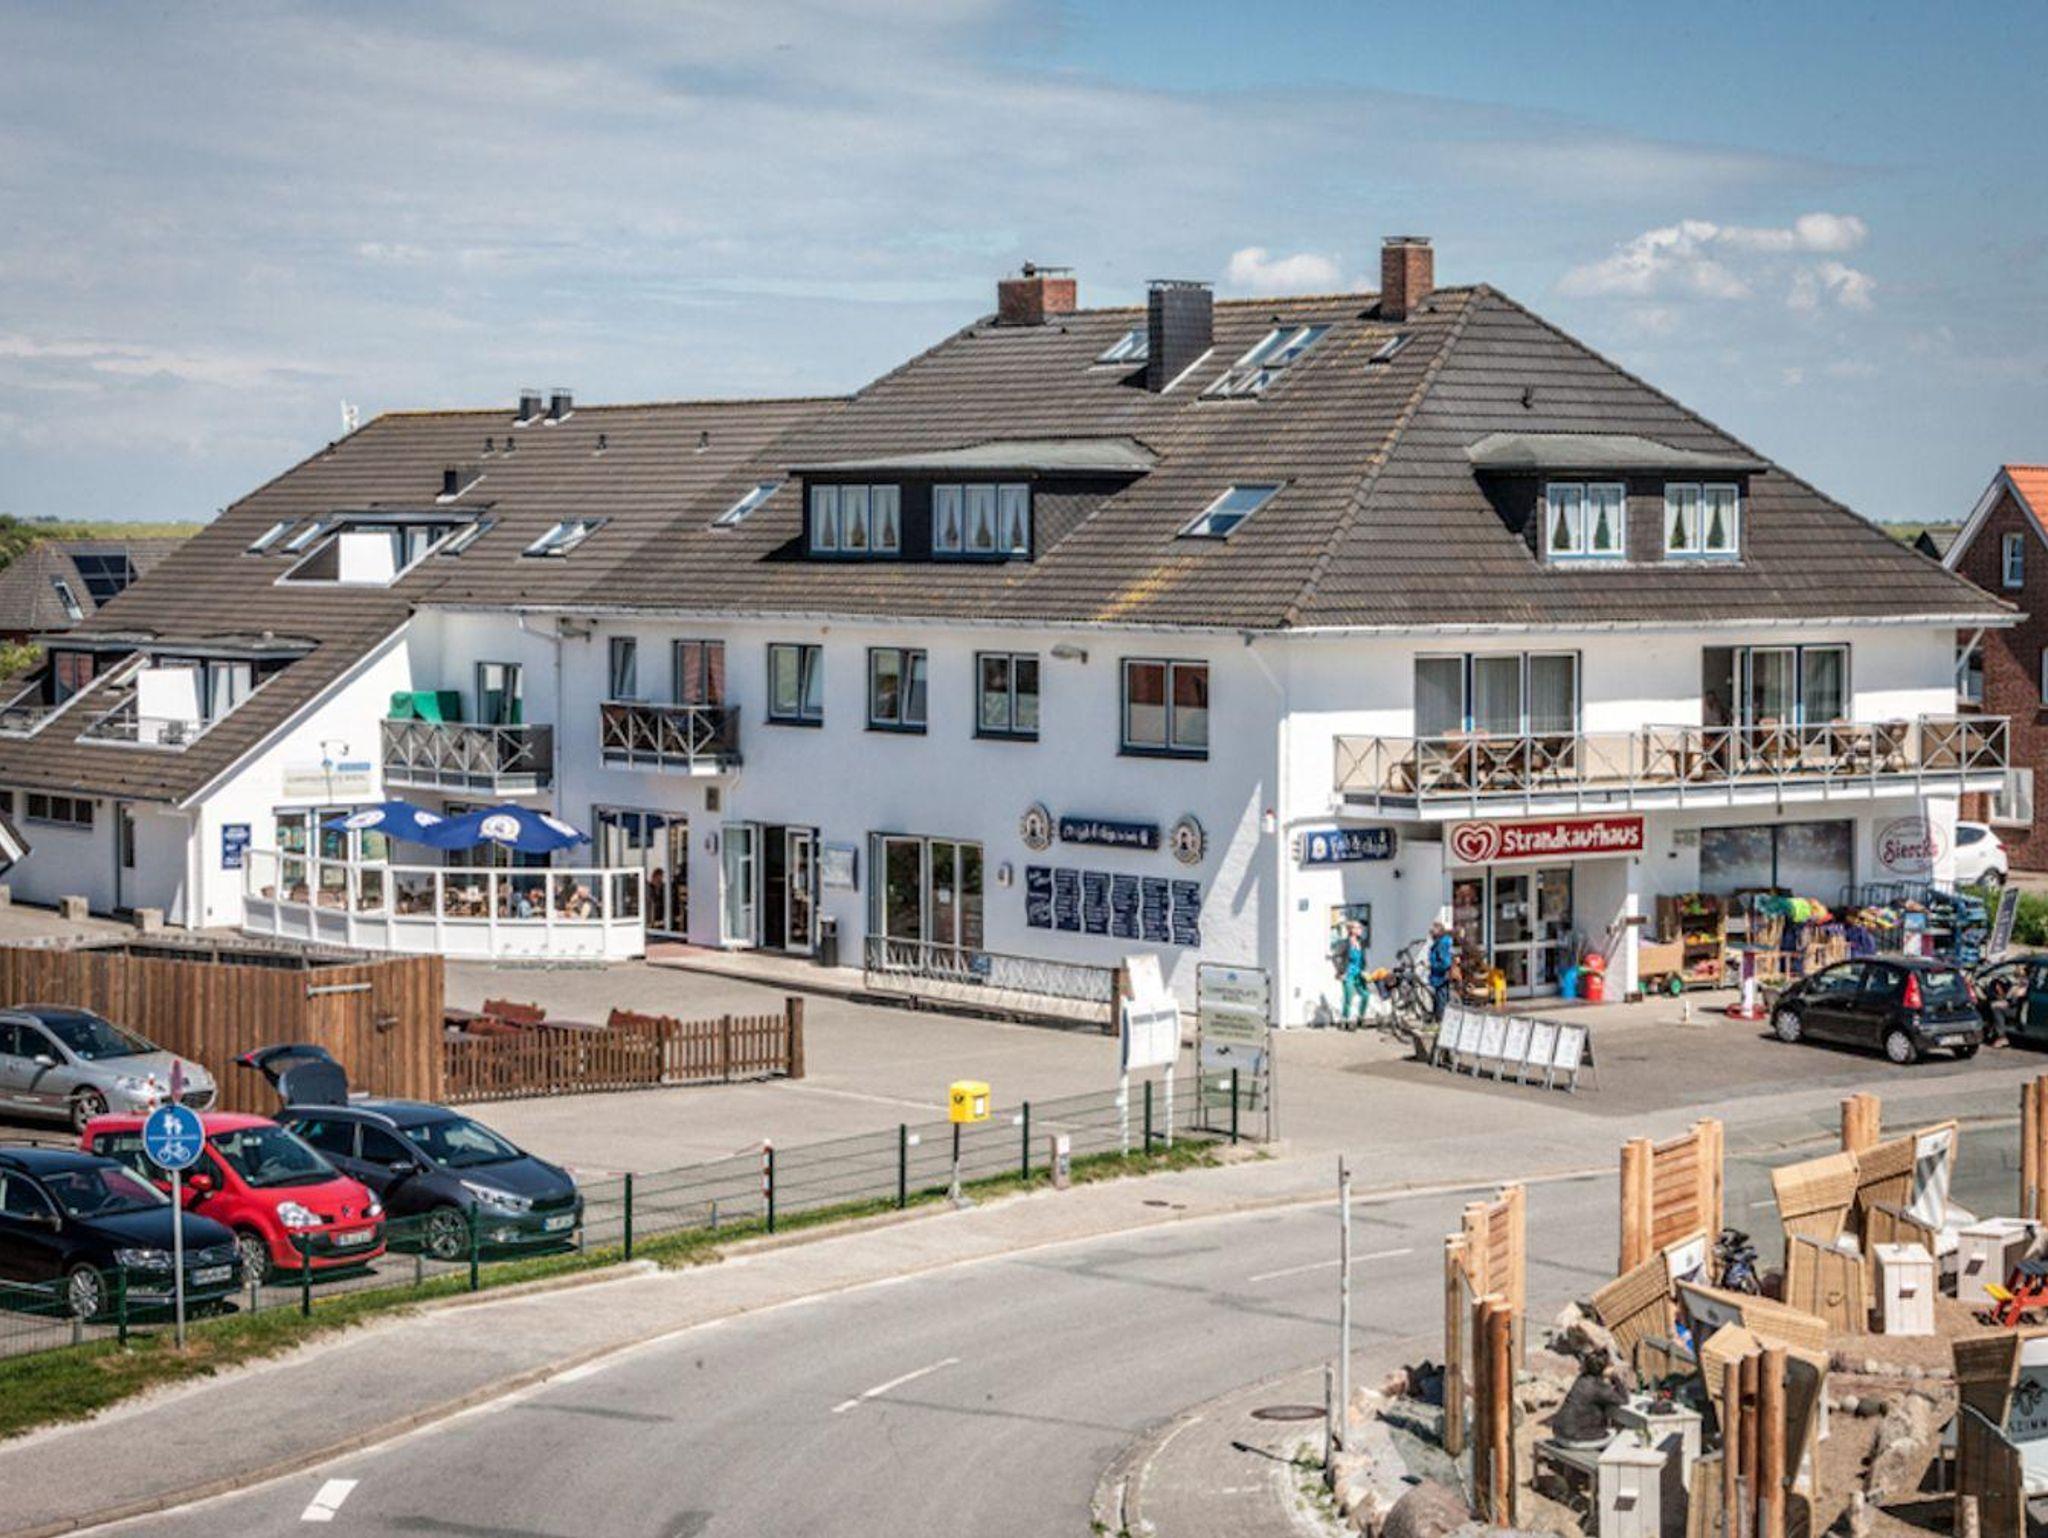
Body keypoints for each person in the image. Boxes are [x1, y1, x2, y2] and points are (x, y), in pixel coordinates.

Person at [1551, 1348, 1627, 1447]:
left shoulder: (1582, 1378)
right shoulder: (1598, 1388)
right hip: (1572, 1439)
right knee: (1614, 1434)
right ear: (1605, 1369)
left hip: (1558, 1432)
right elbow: (1624, 1399)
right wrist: (1615, 1376)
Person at [1339, 921, 1368, 1024]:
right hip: (1348, 973)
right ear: (1351, 930)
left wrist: (1364, 970)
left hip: (1359, 973)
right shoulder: (1345, 943)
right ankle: (1345, 1019)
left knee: (1365, 995)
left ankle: (1361, 1016)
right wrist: (1341, 972)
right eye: (1358, 928)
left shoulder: (1361, 942)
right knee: (1348, 997)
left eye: (1360, 928)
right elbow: (1336, 957)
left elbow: (1362, 959)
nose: (1360, 929)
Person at [1427, 920, 1456, 1022]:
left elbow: (1445, 962)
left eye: (1432, 932)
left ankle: (1441, 1021)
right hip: (1438, 976)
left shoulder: (1441, 944)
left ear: (1438, 932)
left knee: (1441, 1000)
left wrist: (1434, 966)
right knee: (1438, 999)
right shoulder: (1440, 943)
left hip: (1440, 976)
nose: (1431, 935)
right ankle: (1438, 1020)